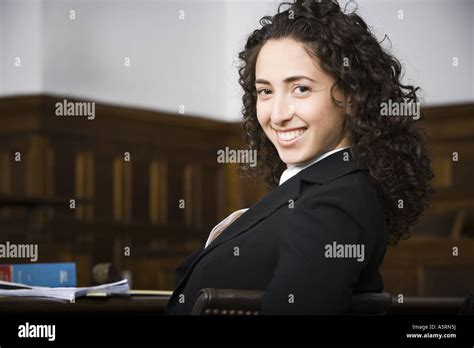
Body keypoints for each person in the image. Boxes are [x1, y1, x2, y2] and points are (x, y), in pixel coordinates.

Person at [165, 0, 434, 315]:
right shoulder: (323, 188)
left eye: (301, 89)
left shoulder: (333, 204)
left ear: (352, 96)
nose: (277, 115)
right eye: (265, 91)